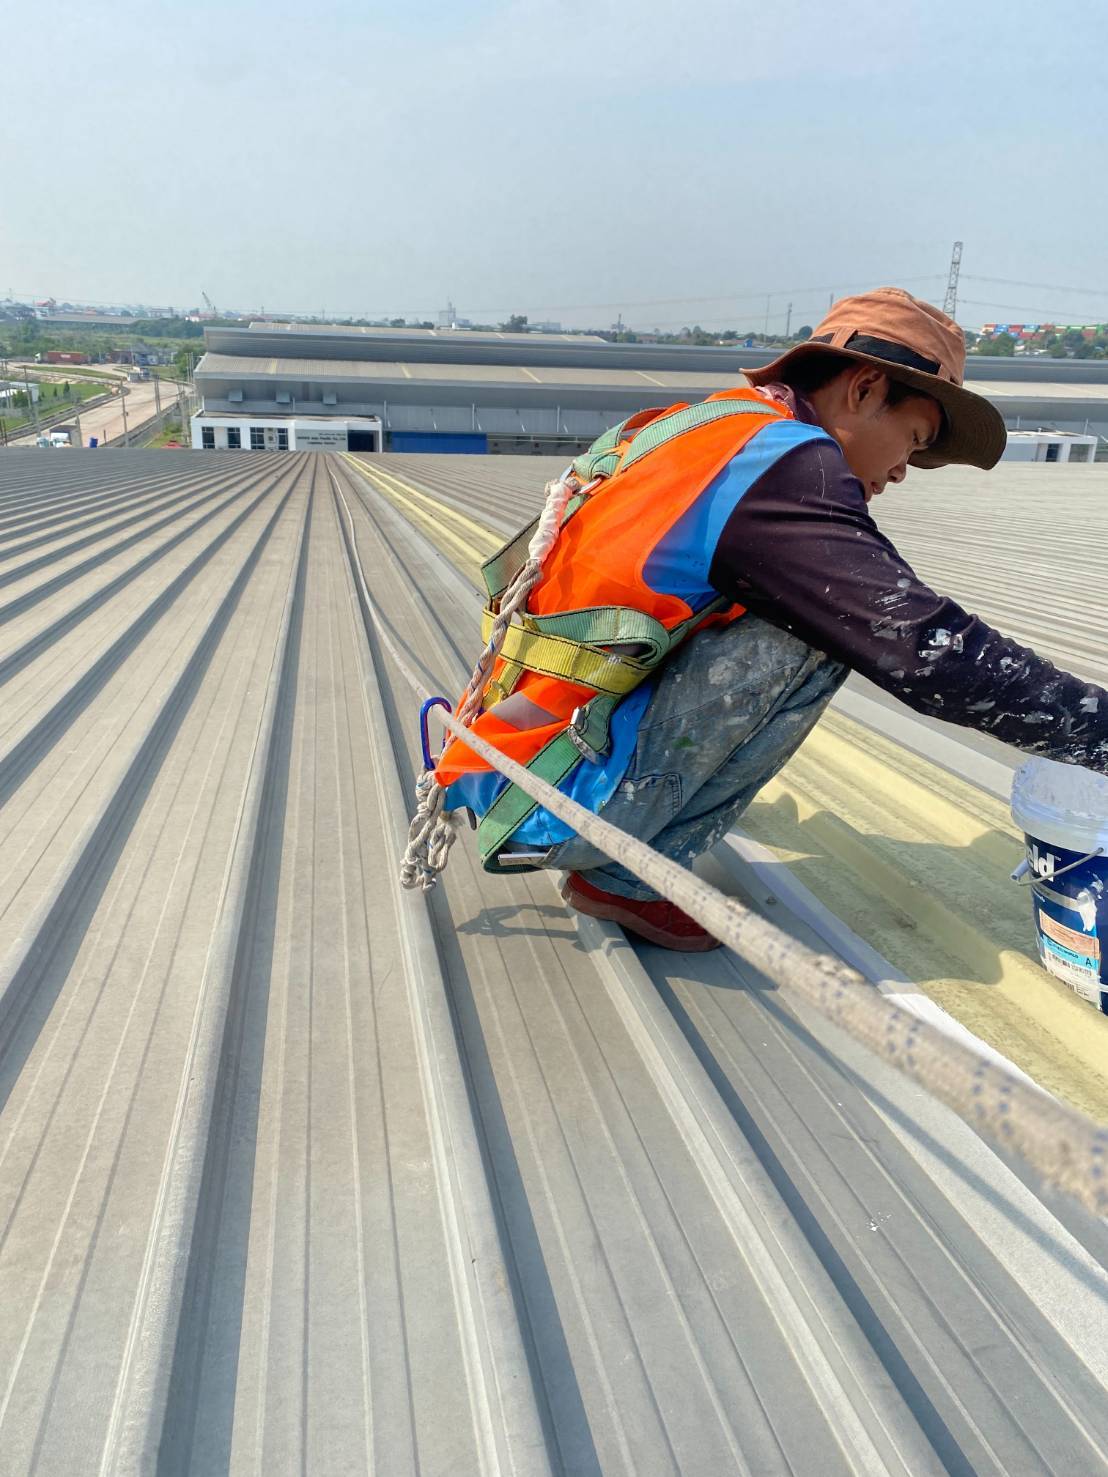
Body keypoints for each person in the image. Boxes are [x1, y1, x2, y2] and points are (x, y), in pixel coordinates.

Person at [435, 288, 1108, 949]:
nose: (905, 470)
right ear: (865, 388)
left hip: (506, 755)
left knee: (813, 605)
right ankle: (624, 872)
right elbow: (929, 649)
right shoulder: (783, 465)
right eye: (914, 438)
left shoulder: (708, 426)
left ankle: (614, 837)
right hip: (551, 797)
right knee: (830, 627)